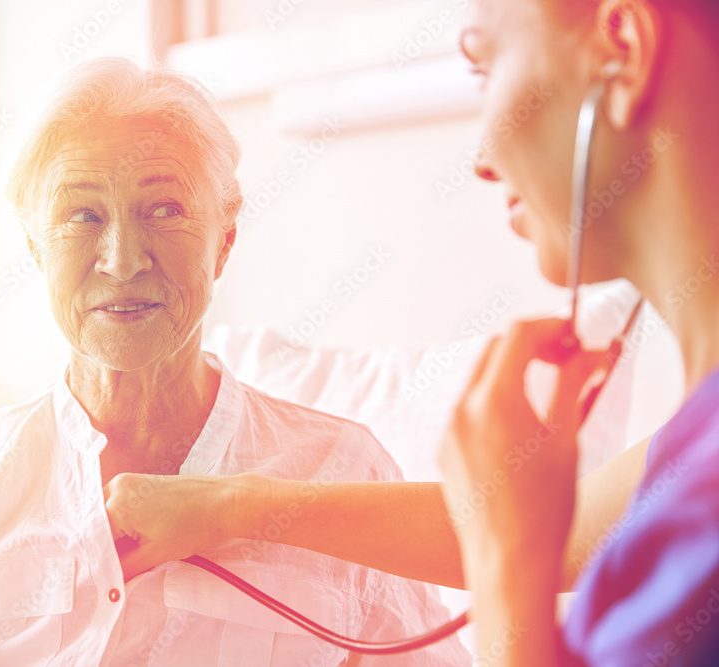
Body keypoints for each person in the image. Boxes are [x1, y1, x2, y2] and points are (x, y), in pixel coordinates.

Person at [0, 57, 469, 666]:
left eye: (164, 209)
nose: (122, 259)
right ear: (35, 248)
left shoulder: (343, 472)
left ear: (223, 241)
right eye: (83, 217)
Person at [103, 0, 719, 664]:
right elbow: (562, 524)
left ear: (620, 49)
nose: (483, 158)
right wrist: (236, 504)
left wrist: (510, 575)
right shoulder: (692, 453)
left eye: (485, 68)